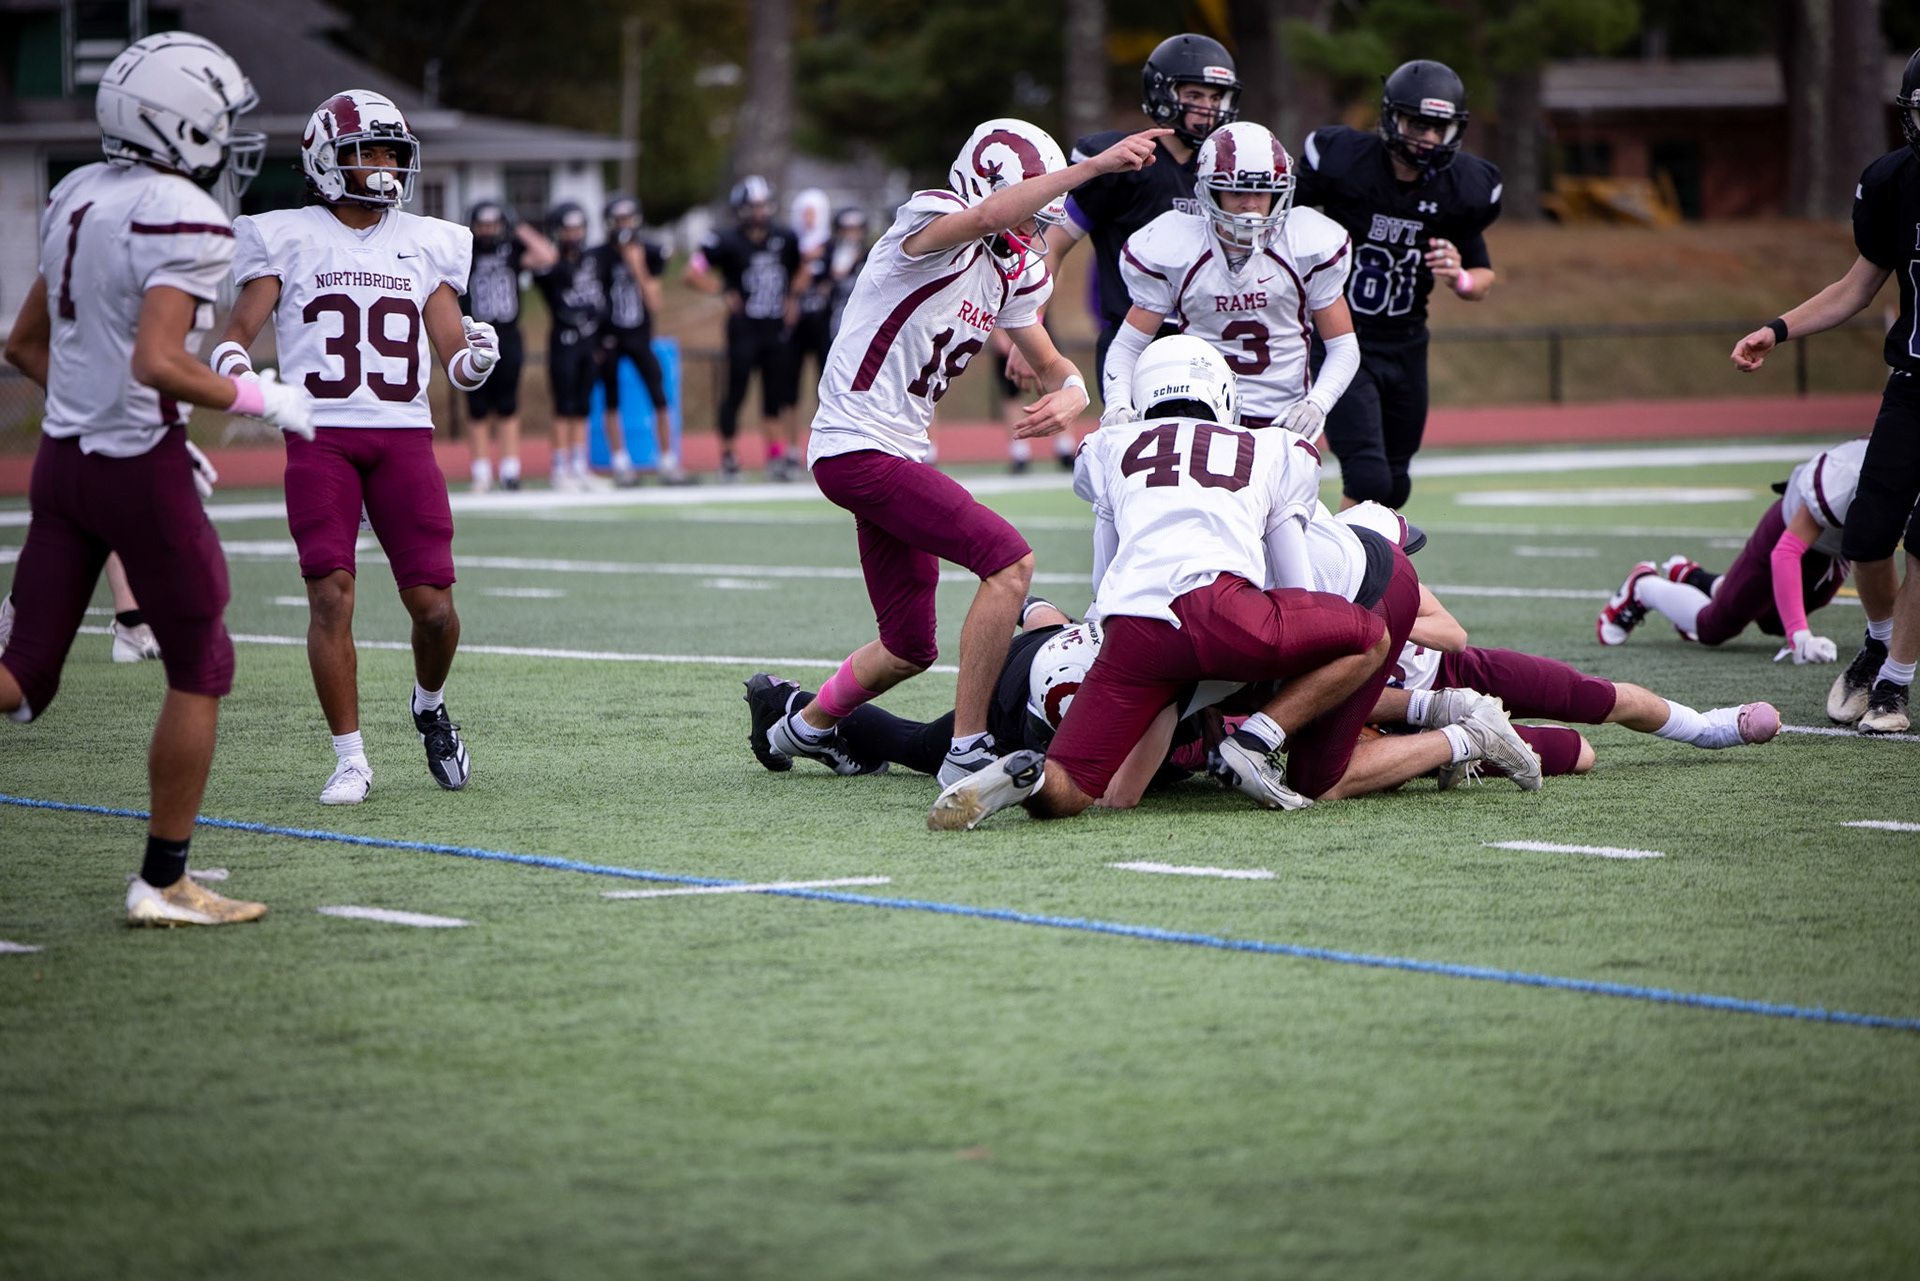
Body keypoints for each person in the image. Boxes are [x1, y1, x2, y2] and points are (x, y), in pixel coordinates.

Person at [0, 31, 311, 924]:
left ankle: (165, 878)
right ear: (178, 121)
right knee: (203, 662)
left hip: (61, 462)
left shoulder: (74, 193)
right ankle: (164, 879)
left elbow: (24, 344)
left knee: (22, 680)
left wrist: (93, 415)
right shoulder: (184, 215)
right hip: (137, 466)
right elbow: (157, 362)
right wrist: (261, 397)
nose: (229, 137)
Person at [761, 117, 1153, 791]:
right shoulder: (930, 221)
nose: (1033, 226)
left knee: (908, 646)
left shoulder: (1008, 271)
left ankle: (803, 727)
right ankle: (966, 748)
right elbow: (988, 214)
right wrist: (1092, 168)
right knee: (1009, 562)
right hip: (858, 444)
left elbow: (1050, 358)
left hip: (897, 453)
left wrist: (1072, 387)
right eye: (1030, 204)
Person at [930, 336, 1395, 831]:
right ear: (1220, 391)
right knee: (1371, 635)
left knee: (1073, 784)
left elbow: (1104, 570)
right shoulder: (1274, 447)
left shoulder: (1110, 447)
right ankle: (1255, 743)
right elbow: (1297, 587)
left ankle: (1031, 781)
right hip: (1227, 611)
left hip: (1134, 630)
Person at [217, 89, 495, 805]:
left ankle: (428, 706)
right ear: (323, 157)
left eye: (391, 153)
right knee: (329, 596)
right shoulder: (286, 233)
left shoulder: (425, 239)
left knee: (433, 608)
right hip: (322, 436)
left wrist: (477, 360)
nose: (381, 168)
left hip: (404, 436)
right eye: (365, 152)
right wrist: (244, 379)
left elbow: (454, 360)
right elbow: (230, 340)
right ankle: (350, 758)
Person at [1731, 50, 1920, 734]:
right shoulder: (1895, 184)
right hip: (1912, 388)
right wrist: (1777, 330)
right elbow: (1855, 287)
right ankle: (1876, 646)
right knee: (1868, 537)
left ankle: (1895, 687)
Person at [1295, 59, 1501, 509]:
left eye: (1437, 127)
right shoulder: (1347, 163)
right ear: (1392, 118)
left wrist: (1459, 276)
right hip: (1344, 338)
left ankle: (1367, 569)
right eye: (1417, 123)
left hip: (1407, 344)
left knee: (1395, 482)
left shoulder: (1461, 188)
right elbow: (1280, 217)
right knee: (1367, 476)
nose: (1427, 137)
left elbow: (1482, 279)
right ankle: (1341, 573)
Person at [1384, 579, 1779, 787]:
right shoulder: (1328, 600)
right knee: (1578, 754)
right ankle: (1498, 734)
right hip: (1407, 729)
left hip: (1458, 669)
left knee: (1589, 694)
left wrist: (1381, 624)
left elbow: (1455, 636)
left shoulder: (1384, 573)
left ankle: (1707, 728)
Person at [1098, 120, 1358, 435]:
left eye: (1261, 190)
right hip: (1203, 416)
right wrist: (1117, 403)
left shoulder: (1305, 245)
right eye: (1237, 190)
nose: (1250, 204)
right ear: (1211, 190)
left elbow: (1344, 346)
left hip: (1282, 420)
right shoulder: (1178, 248)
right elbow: (1127, 345)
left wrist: (1317, 402)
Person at [1011, 34, 1241, 386]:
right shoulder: (1126, 161)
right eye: (1194, 95)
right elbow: (1053, 244)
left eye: (1214, 97)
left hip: (1210, 341)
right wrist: (1032, 328)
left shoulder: (1226, 166)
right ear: (1162, 94)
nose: (1207, 108)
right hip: (1134, 342)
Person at [1597, 438, 1871, 661]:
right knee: (1714, 628)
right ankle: (1644, 587)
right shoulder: (1849, 473)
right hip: (1789, 532)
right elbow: (1785, 552)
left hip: (1833, 550)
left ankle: (1695, 579)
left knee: (1773, 620)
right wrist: (1800, 636)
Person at [744, 597, 1082, 777]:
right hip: (1026, 703)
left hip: (1047, 651)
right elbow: (1114, 795)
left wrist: (1023, 601)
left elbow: (1045, 619)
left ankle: (787, 703)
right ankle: (790, 705)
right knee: (915, 744)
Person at [686, 176, 805, 481]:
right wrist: (721, 289)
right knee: (735, 394)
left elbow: (802, 269)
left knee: (774, 397)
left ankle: (775, 458)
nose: (758, 212)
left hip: (774, 329)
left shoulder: (785, 237)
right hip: (743, 330)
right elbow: (692, 272)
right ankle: (728, 457)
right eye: (753, 206)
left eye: (762, 205)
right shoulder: (725, 240)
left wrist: (792, 298)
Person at [462, 200, 556, 492]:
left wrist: (518, 226)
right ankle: (481, 472)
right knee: (477, 407)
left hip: (508, 335)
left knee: (508, 404)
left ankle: (510, 471)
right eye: (483, 225)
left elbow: (548, 255)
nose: (489, 230)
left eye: (494, 224)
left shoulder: (512, 249)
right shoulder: (465, 253)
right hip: (474, 337)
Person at [592, 193, 685, 485]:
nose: (624, 225)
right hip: (609, 337)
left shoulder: (649, 252)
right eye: (618, 220)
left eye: (627, 219)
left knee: (659, 396)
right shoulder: (598, 257)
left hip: (640, 335)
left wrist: (638, 267)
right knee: (611, 400)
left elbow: (655, 301)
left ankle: (667, 461)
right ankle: (620, 463)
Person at [533, 202, 609, 492]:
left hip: (588, 342)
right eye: (568, 229)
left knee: (582, 406)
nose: (574, 234)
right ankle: (559, 467)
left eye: (578, 228)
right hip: (564, 341)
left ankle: (579, 465)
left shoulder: (591, 260)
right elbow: (541, 259)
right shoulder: (551, 265)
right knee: (563, 406)